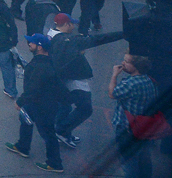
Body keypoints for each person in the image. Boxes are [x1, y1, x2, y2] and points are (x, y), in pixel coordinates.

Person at [47, 13, 124, 148]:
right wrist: (122, 34)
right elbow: (100, 39)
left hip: (60, 80)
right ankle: (61, 131)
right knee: (85, 108)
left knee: (64, 106)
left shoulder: (50, 37)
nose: (74, 26)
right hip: (74, 80)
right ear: (66, 24)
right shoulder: (70, 41)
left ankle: (63, 131)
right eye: (72, 23)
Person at [106, 51, 161, 178]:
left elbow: (112, 94)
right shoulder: (150, 81)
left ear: (136, 66)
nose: (123, 63)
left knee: (129, 161)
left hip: (127, 128)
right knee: (144, 159)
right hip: (144, 128)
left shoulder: (131, 83)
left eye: (127, 62)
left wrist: (114, 76)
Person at [6, 34, 64, 172]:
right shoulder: (47, 61)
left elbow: (34, 88)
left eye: (31, 43)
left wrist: (20, 101)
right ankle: (22, 146)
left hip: (42, 106)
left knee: (48, 134)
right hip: (40, 103)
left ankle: (55, 163)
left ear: (39, 47)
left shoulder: (40, 66)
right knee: (25, 118)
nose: (28, 44)